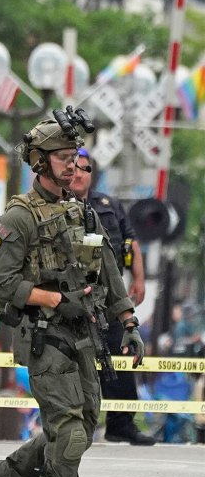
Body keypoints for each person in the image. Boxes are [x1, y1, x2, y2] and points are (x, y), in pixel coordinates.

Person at [0, 117, 143, 477]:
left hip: (83, 334)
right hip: (42, 336)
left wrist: (127, 320)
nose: (73, 167)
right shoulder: (19, 216)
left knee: (81, 428)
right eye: (64, 159)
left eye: (76, 159)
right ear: (39, 162)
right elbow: (0, 287)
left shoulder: (80, 208)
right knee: (69, 432)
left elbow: (107, 269)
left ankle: (3, 476)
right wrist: (52, 300)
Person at [68, 148, 154, 446]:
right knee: (77, 362)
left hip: (110, 298)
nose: (79, 173)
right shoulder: (57, 207)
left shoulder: (108, 205)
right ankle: (77, 425)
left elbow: (130, 243)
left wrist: (139, 279)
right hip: (75, 300)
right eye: (74, 167)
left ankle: (121, 423)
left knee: (120, 356)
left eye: (85, 168)